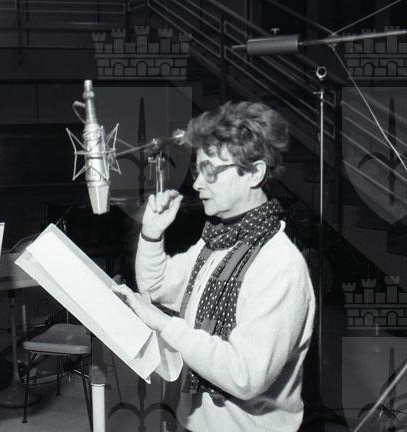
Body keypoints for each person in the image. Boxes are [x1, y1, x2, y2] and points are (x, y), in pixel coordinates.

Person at [114, 101, 316, 431]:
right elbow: (157, 287)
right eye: (198, 171)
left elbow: (244, 376)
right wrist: (151, 233)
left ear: (254, 173)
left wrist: (166, 326)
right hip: (196, 422)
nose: (196, 184)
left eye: (211, 171)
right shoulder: (219, 241)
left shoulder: (279, 265)